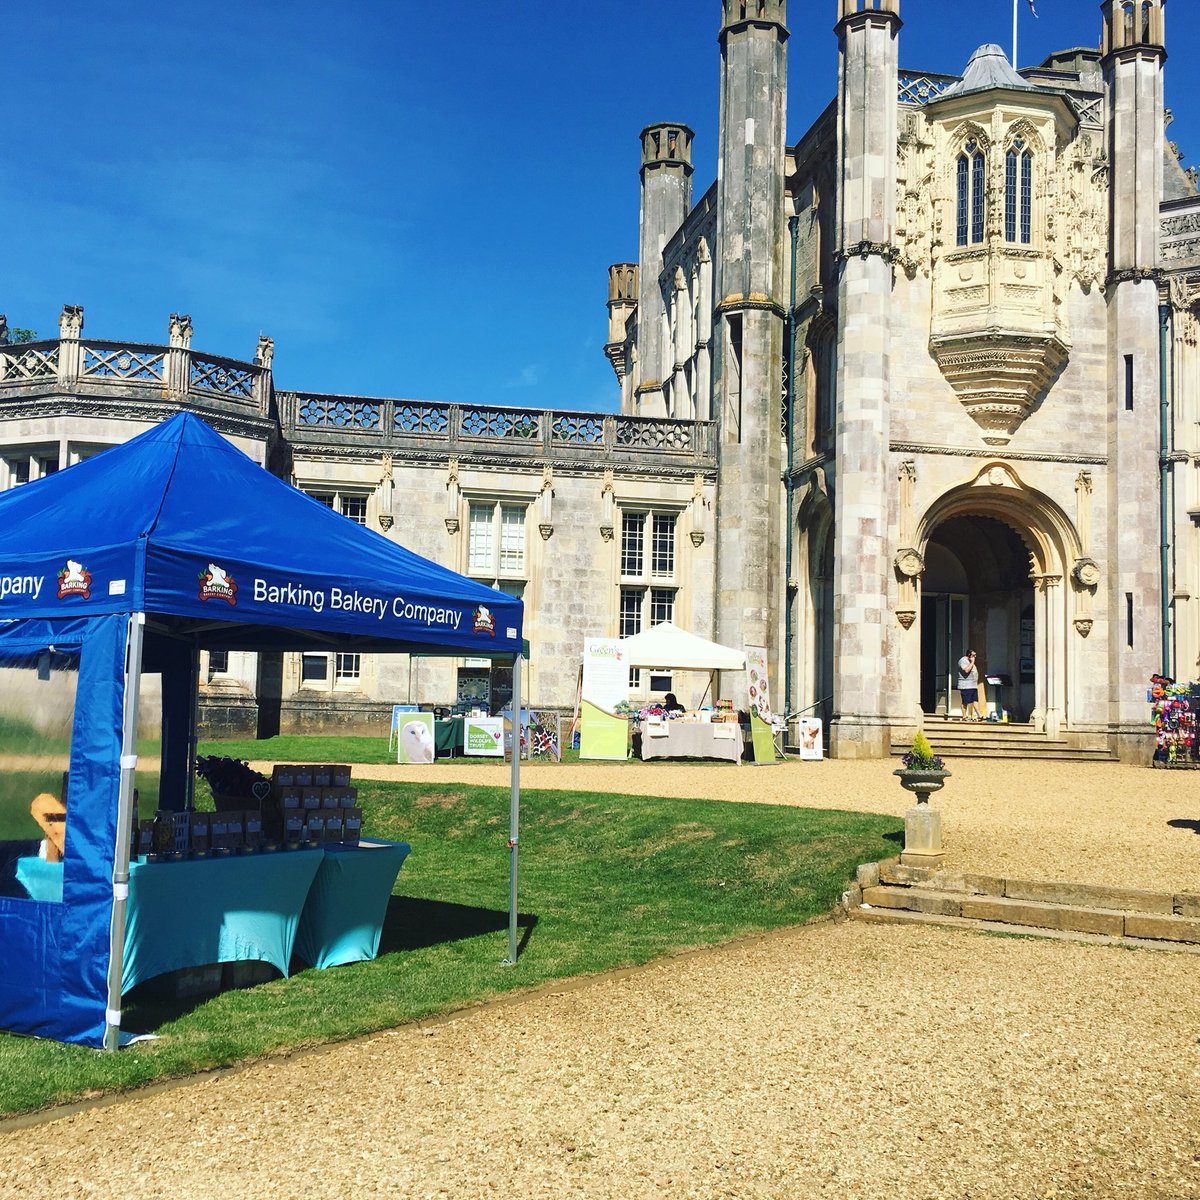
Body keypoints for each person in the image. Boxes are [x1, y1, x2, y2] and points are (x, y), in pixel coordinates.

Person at [957, 649, 983, 720]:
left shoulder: (970, 661)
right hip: (966, 686)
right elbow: (966, 670)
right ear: (969, 655)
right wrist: (972, 662)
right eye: (973, 655)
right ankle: (964, 716)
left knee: (975, 700)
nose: (975, 657)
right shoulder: (963, 661)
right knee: (965, 701)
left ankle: (979, 715)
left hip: (973, 685)